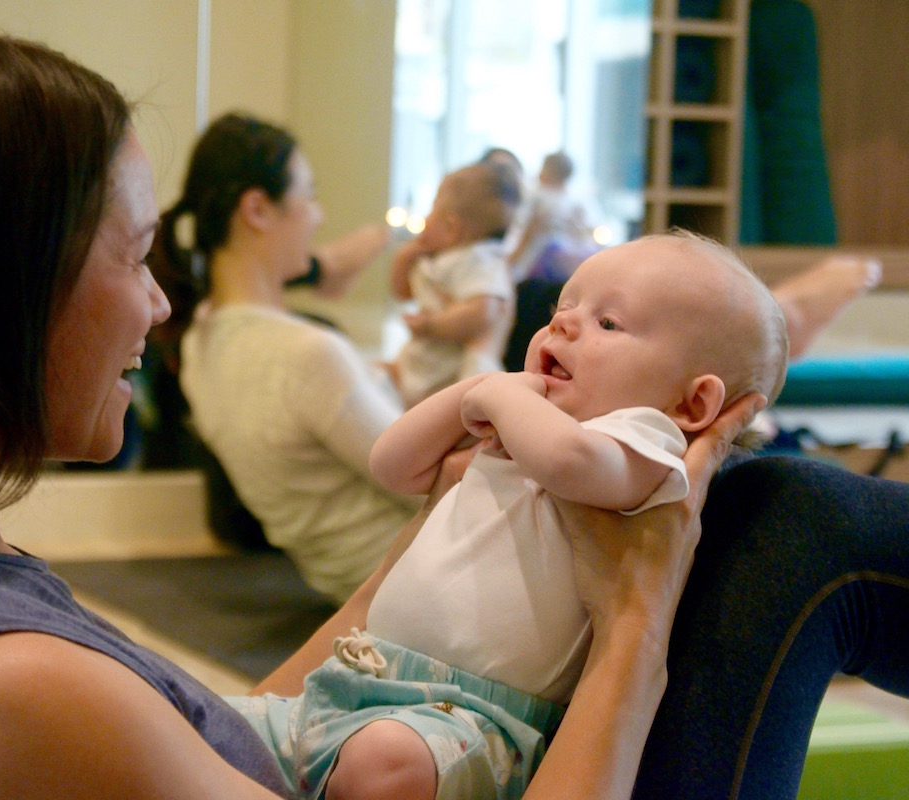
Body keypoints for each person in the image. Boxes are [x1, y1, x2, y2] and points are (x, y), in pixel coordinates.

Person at [0, 17, 907, 800]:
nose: (160, 307)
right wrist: (635, 625)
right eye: (133, 257)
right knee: (790, 522)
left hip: (389, 671)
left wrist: (443, 528)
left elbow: (238, 733)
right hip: (452, 723)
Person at [232, 231, 789, 799]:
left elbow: (569, 461)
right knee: (206, 727)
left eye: (609, 324)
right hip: (354, 677)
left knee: (385, 762)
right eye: (562, 310)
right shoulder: (528, 416)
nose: (563, 325)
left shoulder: (644, 442)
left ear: (692, 405)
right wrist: (475, 389)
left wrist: (499, 398)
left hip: (470, 718)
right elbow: (392, 465)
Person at [148, 112, 422, 603]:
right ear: (256, 209)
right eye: (309, 194)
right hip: (424, 588)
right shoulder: (307, 354)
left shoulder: (197, 344)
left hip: (359, 592)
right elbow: (429, 488)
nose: (317, 215)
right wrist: (485, 349)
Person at [385, 160, 522, 407]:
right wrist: (404, 259)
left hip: (456, 371)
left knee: (461, 403)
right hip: (424, 360)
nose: (425, 218)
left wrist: (431, 326)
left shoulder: (481, 259)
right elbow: (403, 292)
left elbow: (483, 312)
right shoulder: (435, 258)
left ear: (451, 228)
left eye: (431, 210)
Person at [505, 150, 600, 284]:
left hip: (555, 266)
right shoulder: (536, 196)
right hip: (535, 264)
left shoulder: (575, 202)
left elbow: (588, 232)